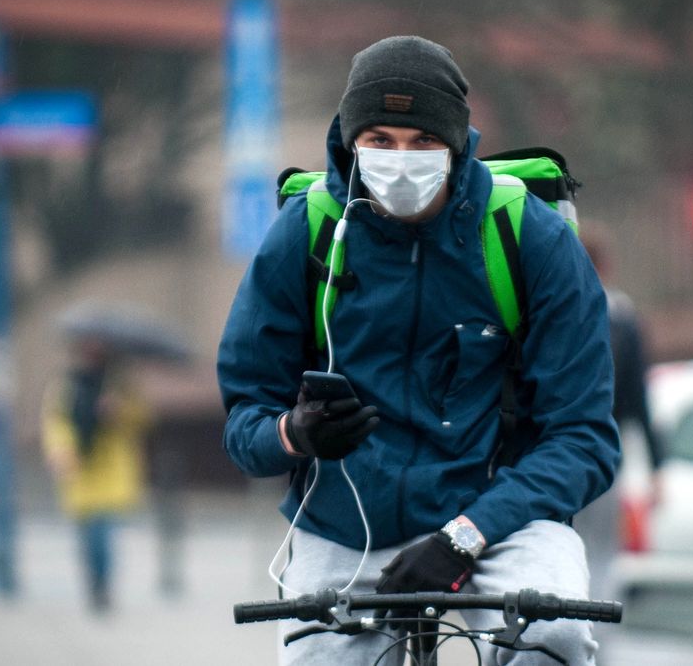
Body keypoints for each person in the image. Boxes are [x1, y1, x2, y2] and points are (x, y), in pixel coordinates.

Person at [217, 35, 618, 664]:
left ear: (456, 144)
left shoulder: (528, 237)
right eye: (379, 140)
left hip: (501, 518)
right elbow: (244, 422)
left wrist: (465, 535)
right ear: (351, 142)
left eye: (423, 141)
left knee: (556, 636)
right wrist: (294, 434)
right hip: (344, 523)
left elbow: (584, 437)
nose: (401, 160)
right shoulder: (308, 230)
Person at [572, 220, 664, 650]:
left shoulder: (556, 310)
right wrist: (659, 467)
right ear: (606, 265)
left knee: (564, 547)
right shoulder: (622, 318)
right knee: (604, 554)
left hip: (556, 455)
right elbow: (640, 400)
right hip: (607, 457)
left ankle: (563, 632)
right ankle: (597, 640)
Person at [41, 336, 152, 613]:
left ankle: (102, 585)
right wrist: (60, 450)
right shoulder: (67, 385)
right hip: (79, 470)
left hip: (111, 471)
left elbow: (143, 419)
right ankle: (93, 581)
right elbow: (55, 421)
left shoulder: (119, 386)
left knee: (103, 534)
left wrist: (118, 411)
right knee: (86, 538)